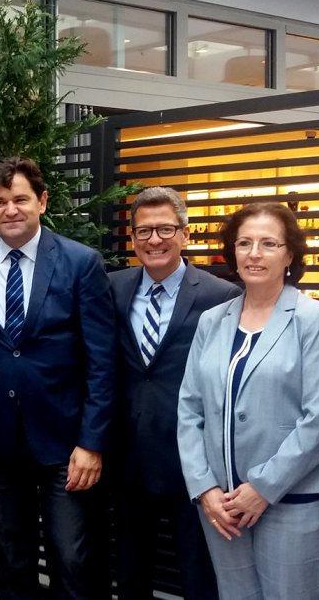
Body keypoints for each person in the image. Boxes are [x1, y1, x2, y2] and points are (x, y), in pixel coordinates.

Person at [0, 157, 115, 600]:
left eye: (20, 199)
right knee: (12, 558)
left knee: (72, 558)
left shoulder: (81, 263)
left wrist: (92, 442)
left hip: (67, 445)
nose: (10, 210)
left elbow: (102, 360)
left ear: (41, 201)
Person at [176, 201, 319, 600]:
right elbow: (189, 408)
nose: (254, 253)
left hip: (294, 501)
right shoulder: (212, 321)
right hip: (223, 506)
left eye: (268, 243)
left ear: (289, 254)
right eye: (244, 243)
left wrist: (263, 488)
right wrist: (205, 489)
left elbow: (318, 418)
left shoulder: (315, 319)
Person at [109, 186, 239, 600]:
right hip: (128, 458)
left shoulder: (222, 295)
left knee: (198, 575)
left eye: (165, 229)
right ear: (131, 240)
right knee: (131, 572)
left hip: (194, 463)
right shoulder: (112, 288)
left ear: (185, 234)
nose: (154, 240)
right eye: (143, 231)